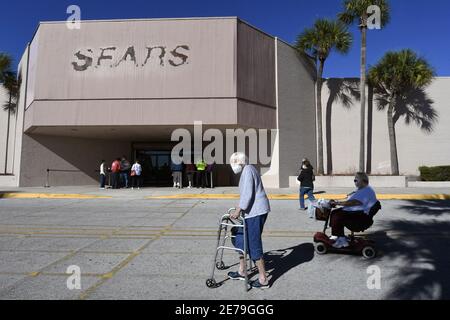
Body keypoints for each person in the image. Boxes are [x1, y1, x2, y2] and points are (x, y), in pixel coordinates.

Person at [228, 152, 271, 289]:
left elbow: (248, 193)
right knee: (238, 235)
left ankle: (263, 279)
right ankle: (242, 270)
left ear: (239, 162)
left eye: (233, 163)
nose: (232, 166)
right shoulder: (249, 169)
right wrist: (240, 207)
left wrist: (238, 210)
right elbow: (248, 194)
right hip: (253, 211)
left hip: (255, 213)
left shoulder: (247, 170)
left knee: (253, 242)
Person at [329, 172, 378, 249]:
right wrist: (337, 202)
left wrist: (338, 203)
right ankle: (337, 235)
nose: (354, 181)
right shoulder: (363, 189)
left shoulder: (366, 190)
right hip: (357, 213)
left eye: (356, 180)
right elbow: (351, 199)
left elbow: (354, 202)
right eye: (354, 180)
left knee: (337, 215)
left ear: (363, 180)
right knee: (335, 212)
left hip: (360, 217)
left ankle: (342, 241)